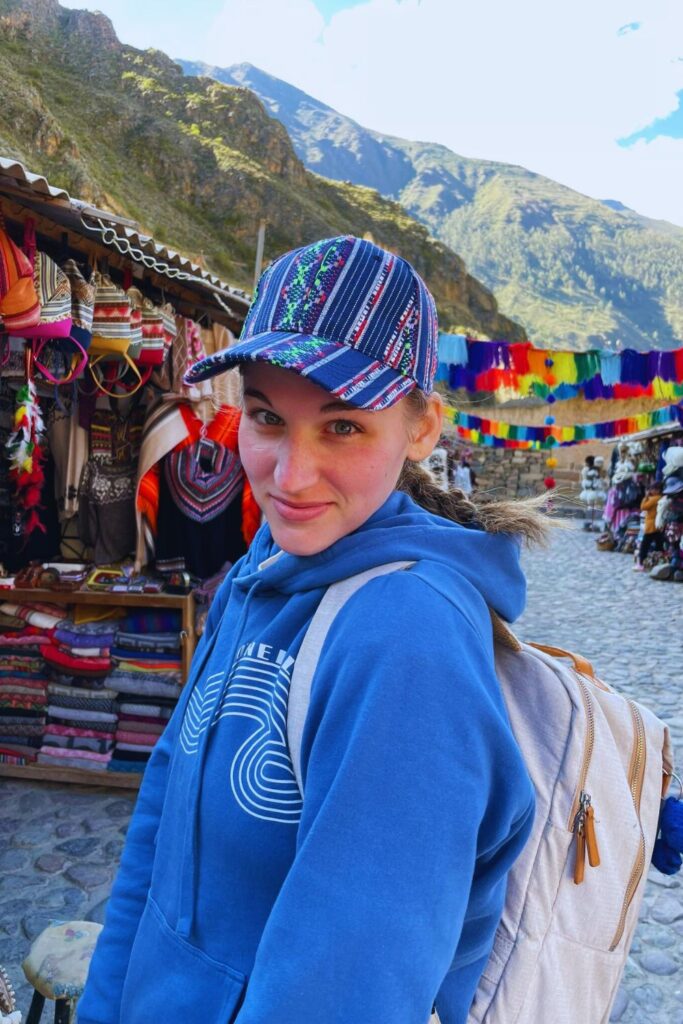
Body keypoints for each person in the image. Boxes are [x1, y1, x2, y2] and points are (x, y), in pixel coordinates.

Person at [77, 235, 539, 1024]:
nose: (289, 477)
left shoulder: (406, 640)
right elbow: (156, 834)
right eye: (265, 417)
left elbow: (344, 994)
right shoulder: (259, 572)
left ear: (421, 428)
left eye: (342, 427)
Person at [634, 481, 665, 571]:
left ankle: (641, 564)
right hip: (657, 526)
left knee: (644, 546)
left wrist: (646, 497)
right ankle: (661, 562)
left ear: (658, 490)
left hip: (651, 526)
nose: (651, 490)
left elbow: (643, 507)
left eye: (652, 489)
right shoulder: (660, 497)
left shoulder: (654, 498)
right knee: (659, 545)